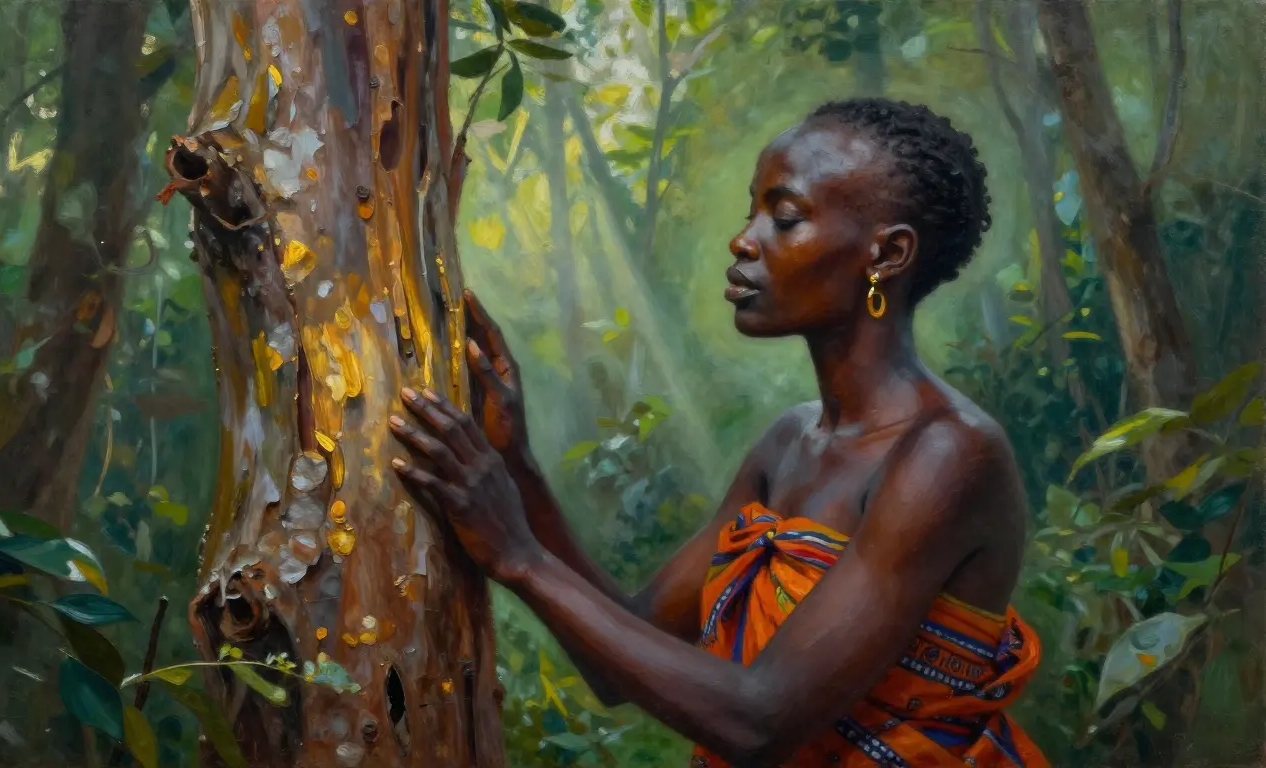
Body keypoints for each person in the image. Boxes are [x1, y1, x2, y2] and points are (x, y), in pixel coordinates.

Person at [388, 98, 1049, 767]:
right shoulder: (789, 444)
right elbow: (622, 660)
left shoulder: (947, 454)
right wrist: (517, 465)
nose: (744, 239)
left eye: (784, 218)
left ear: (887, 254)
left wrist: (518, 557)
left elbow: (759, 721)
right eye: (752, 211)